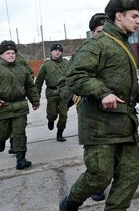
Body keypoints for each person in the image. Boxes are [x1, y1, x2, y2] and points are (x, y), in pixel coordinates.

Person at [59, 0, 139, 211]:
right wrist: (102, 93)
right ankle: (70, 203)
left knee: (130, 175)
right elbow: (75, 76)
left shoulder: (122, 43)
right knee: (99, 177)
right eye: (134, 16)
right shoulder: (97, 44)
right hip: (100, 127)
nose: (138, 21)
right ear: (119, 16)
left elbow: (120, 80)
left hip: (125, 124)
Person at [58, 12, 108, 202]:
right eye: (98, 31)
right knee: (96, 152)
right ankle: (97, 185)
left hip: (115, 109)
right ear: (92, 33)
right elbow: (64, 83)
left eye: (106, 31)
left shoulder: (118, 50)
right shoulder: (83, 53)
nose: (103, 35)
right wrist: (74, 95)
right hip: (90, 110)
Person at [0, 40, 40, 170]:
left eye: (13, 53)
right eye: (8, 53)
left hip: (20, 106)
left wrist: (35, 100)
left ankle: (21, 159)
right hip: (2, 106)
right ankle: (1, 139)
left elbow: (30, 87)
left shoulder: (22, 70)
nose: (11, 55)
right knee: (3, 131)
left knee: (19, 133)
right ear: (1, 55)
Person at [36, 42, 69, 142]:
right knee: (52, 113)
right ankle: (50, 119)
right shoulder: (46, 65)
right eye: (55, 50)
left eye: (59, 51)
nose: (57, 52)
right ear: (51, 52)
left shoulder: (66, 63)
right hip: (51, 92)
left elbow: (72, 77)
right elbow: (39, 81)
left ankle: (60, 133)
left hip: (64, 92)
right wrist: (36, 96)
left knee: (63, 115)